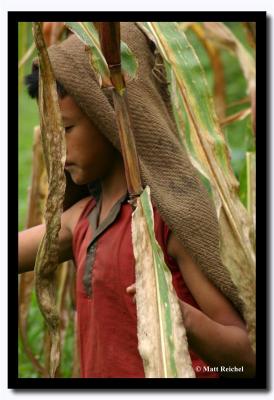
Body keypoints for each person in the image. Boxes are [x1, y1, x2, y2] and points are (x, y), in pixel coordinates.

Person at [19, 22, 255, 378]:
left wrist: (182, 317)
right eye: (50, 134)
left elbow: (248, 358)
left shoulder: (169, 223)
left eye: (65, 130)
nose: (57, 149)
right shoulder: (81, 220)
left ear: (109, 116)